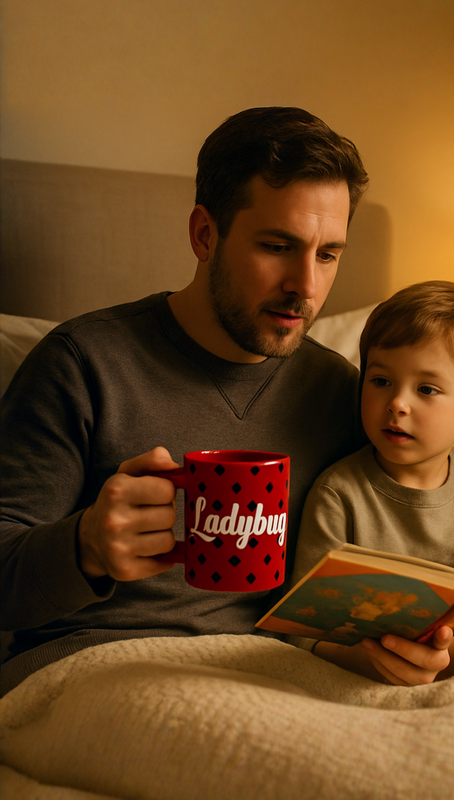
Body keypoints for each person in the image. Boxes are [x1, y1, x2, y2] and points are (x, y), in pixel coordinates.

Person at [0, 106, 370, 694]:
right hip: (90, 672)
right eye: (278, 246)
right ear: (204, 234)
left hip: (273, 678)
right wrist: (87, 544)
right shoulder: (84, 363)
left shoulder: (340, 393)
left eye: (328, 255)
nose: (307, 285)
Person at [288, 280, 454, 685]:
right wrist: (372, 664)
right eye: (381, 381)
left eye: (426, 389)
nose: (398, 403)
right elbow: (301, 632)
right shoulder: (339, 492)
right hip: (369, 668)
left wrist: (450, 660)